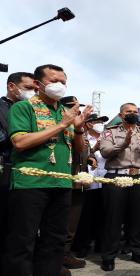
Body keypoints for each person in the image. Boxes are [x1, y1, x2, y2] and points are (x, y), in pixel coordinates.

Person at [3, 64, 93, 276]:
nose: (60, 86)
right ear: (37, 84)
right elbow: (20, 142)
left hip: (61, 183)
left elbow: (78, 151)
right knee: (22, 240)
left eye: (63, 82)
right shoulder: (23, 108)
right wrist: (62, 125)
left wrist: (78, 129)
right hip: (30, 183)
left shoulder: (64, 112)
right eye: (54, 81)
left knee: (55, 240)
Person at [99, 103, 140, 271]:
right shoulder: (110, 131)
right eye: (128, 111)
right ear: (121, 114)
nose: (132, 114)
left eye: (135, 112)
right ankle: (109, 256)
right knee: (113, 218)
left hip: (139, 177)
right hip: (116, 176)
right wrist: (124, 143)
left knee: (139, 216)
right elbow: (105, 152)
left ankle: (137, 251)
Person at [0, 72, 35, 272]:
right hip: (6, 168)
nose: (32, 92)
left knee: (24, 225)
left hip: (30, 171)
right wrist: (21, 135)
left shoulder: (35, 109)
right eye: (28, 87)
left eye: (35, 88)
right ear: (12, 86)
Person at [72, 113, 109, 258]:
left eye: (102, 121)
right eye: (97, 121)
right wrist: (95, 148)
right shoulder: (83, 138)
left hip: (105, 182)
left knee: (103, 216)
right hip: (88, 183)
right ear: (88, 123)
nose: (100, 124)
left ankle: (101, 244)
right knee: (86, 217)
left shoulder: (108, 138)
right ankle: (83, 245)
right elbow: (82, 154)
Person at [59, 96, 89, 270]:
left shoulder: (79, 127)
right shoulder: (59, 124)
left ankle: (65, 254)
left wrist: (90, 157)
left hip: (78, 180)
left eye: (78, 106)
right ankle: (55, 256)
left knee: (72, 222)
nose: (76, 109)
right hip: (61, 178)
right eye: (71, 106)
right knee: (57, 222)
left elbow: (82, 151)